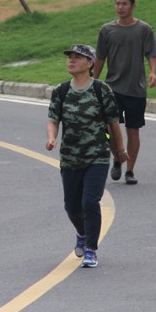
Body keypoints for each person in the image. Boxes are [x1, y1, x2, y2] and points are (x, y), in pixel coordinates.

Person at [46, 44, 126, 268]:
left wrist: (120, 152)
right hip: (71, 158)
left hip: (97, 157)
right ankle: (82, 233)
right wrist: (52, 138)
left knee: (90, 201)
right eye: (69, 57)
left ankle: (91, 249)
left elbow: (113, 123)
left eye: (77, 57)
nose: (71, 60)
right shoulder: (61, 91)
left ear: (90, 64)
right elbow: (53, 119)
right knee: (71, 207)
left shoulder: (102, 90)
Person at [93, 0, 156, 185]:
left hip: (136, 90)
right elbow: (100, 57)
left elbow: (151, 53)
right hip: (112, 88)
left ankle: (130, 170)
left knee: (133, 130)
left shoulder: (144, 29)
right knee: (108, 129)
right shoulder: (106, 30)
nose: (120, 7)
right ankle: (118, 157)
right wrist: (94, 81)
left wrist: (153, 72)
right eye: (117, 4)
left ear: (133, 6)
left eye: (124, 4)